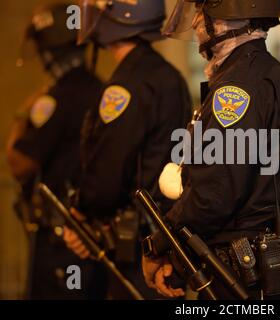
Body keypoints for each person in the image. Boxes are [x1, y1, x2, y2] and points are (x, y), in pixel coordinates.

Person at [142, 0, 280, 300]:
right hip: (263, 269)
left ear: (227, 18)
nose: (196, 23)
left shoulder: (234, 90)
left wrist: (159, 245)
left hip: (238, 275)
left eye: (203, 12)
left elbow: (214, 194)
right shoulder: (276, 76)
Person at [62, 0, 192, 299]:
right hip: (168, 235)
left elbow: (109, 167)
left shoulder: (126, 85)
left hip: (137, 244)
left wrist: (80, 212)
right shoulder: (168, 75)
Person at [6, 2, 106, 299]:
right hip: (92, 236)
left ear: (48, 51)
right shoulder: (102, 90)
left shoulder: (55, 100)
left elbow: (18, 163)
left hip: (61, 242)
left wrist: (23, 115)